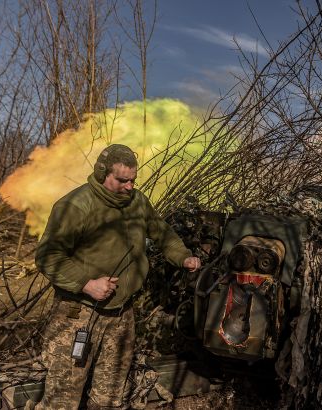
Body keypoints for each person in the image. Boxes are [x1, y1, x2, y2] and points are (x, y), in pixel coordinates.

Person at [34, 144, 201, 409]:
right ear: (102, 174)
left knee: (110, 398)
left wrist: (183, 256)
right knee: (62, 399)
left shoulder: (137, 202)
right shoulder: (76, 206)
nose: (129, 186)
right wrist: (86, 284)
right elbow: (48, 256)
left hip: (122, 315)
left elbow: (163, 233)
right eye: (122, 180)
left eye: (133, 180)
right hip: (78, 313)